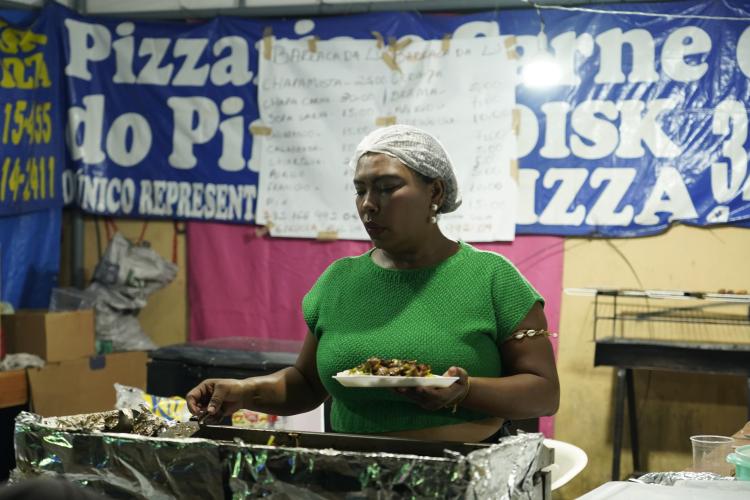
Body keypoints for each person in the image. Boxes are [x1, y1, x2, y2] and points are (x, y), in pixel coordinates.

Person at [186, 124, 559, 443]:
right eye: (360, 189)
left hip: (461, 476)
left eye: (386, 187)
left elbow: (543, 393)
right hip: (348, 476)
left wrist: (465, 391)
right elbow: (306, 383)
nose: (368, 205)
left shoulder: (492, 279)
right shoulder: (339, 281)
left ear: (436, 193)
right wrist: (243, 391)